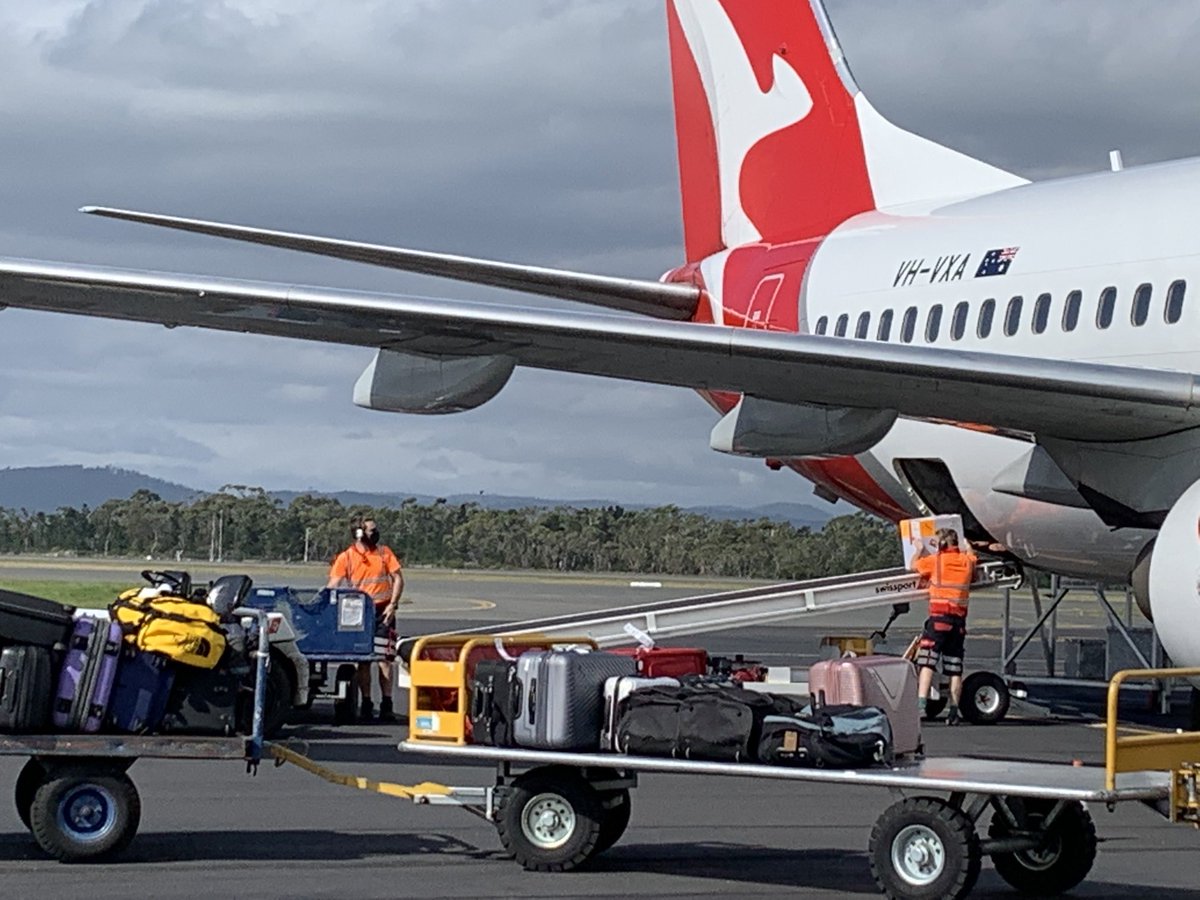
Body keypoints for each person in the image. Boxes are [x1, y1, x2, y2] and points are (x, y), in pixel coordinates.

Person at [327, 518, 404, 722]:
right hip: (359, 613)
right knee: (363, 661)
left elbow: (398, 578)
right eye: (371, 530)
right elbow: (333, 583)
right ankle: (367, 703)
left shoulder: (384, 552)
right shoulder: (347, 557)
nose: (375, 533)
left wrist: (393, 604)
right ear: (359, 534)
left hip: (382, 611)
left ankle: (387, 704)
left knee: (385, 659)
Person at [912, 527, 977, 725]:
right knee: (954, 668)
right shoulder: (967, 562)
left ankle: (921, 705)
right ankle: (954, 711)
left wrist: (918, 548)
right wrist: (968, 545)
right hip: (958, 623)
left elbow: (915, 565)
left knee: (927, 662)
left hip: (939, 620)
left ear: (941, 545)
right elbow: (972, 555)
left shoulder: (936, 561)